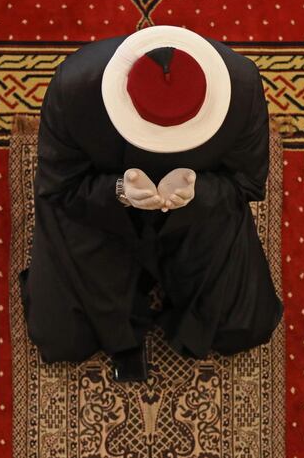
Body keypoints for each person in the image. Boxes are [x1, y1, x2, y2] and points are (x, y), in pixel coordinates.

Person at [19, 25, 283, 380]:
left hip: (196, 213)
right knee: (63, 336)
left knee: (243, 325)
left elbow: (247, 182)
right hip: (98, 211)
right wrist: (118, 191)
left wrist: (197, 192)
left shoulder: (243, 85)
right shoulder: (75, 86)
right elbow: (58, 188)